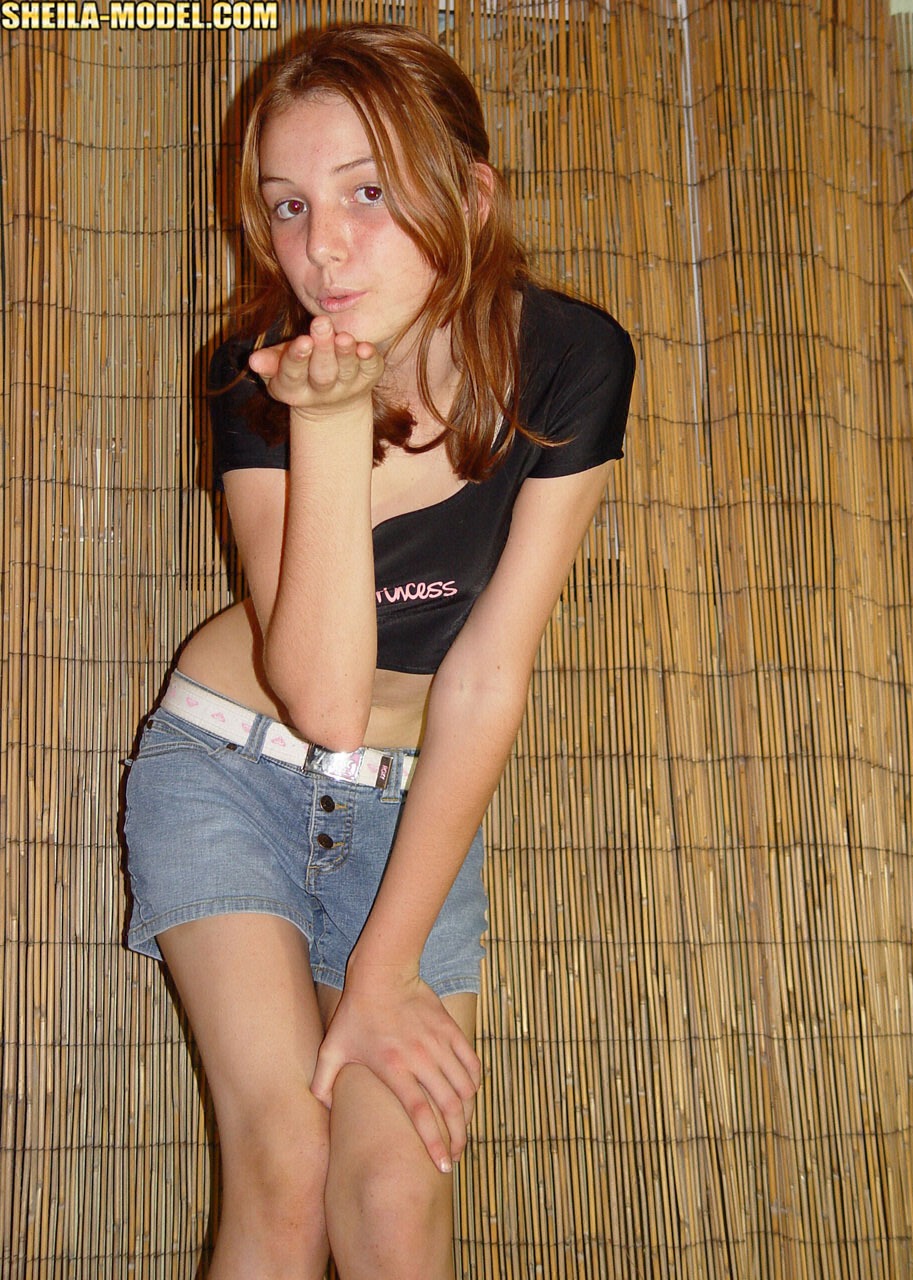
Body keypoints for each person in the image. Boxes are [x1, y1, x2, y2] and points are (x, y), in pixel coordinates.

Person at [123, 21, 635, 1280]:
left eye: (366, 192)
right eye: (289, 206)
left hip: (410, 803)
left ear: (471, 196)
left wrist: (386, 965)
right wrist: (330, 422)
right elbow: (325, 695)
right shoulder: (255, 378)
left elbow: (487, 672)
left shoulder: (571, 359)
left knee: (398, 1197)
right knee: (287, 1171)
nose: (323, 248)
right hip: (226, 766)